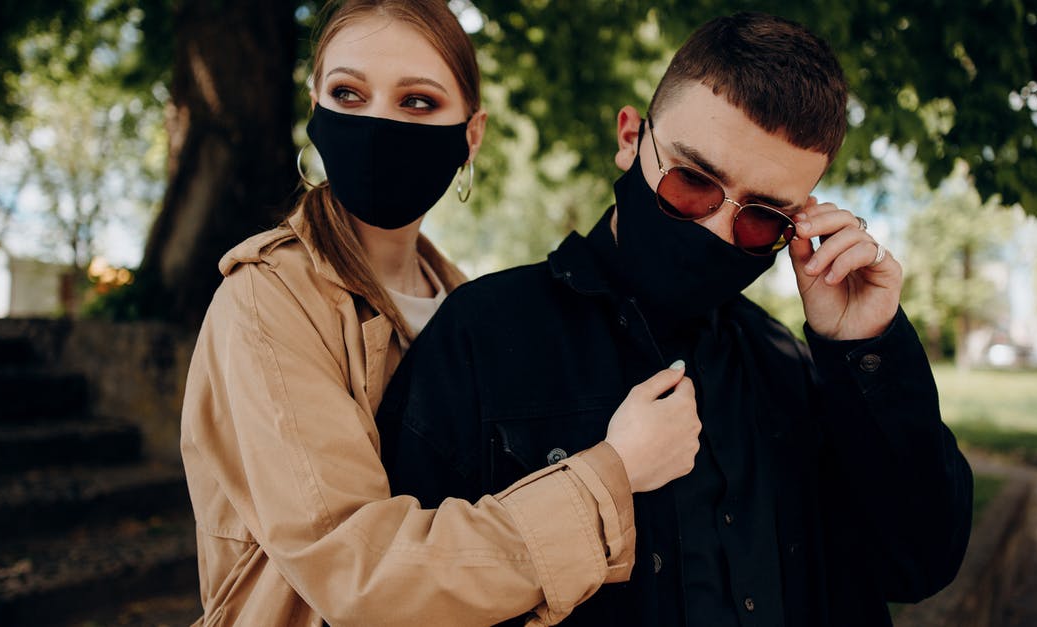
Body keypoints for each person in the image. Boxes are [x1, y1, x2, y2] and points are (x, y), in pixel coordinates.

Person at [378, 11, 974, 627]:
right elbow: (402, 594)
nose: (715, 230)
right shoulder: (483, 334)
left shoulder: (790, 365)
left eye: (762, 218)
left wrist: (864, 348)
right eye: (693, 182)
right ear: (631, 137)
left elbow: (920, 564)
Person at [179, 1, 703, 625]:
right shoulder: (267, 301)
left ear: (470, 135)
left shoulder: (468, 308)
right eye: (348, 93)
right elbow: (360, 573)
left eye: (418, 102)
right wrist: (612, 473)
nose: (378, 123)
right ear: (315, 105)